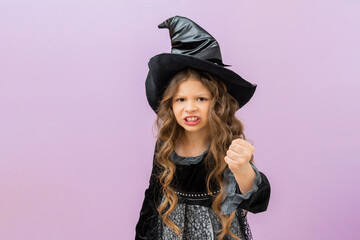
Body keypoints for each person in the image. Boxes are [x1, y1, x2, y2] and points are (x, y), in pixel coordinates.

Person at [135, 16, 271, 240]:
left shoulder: (226, 143)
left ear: (216, 103)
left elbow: (258, 202)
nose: (190, 108)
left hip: (219, 233)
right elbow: (152, 197)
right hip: (172, 232)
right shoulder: (166, 143)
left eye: (201, 99)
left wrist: (243, 168)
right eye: (181, 100)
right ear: (170, 104)